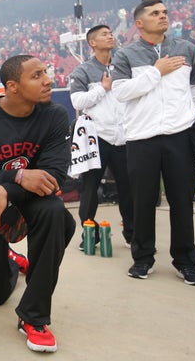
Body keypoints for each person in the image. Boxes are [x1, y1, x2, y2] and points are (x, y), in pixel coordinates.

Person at [0, 54, 74, 353]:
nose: (48, 79)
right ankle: (10, 259)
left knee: (56, 213)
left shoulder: (55, 115)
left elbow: (54, 175)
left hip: (29, 203)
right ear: (13, 86)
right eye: (37, 75)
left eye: (46, 72)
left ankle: (33, 316)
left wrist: (8, 190)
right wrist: (16, 177)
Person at [111, 0, 195, 285]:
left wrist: (180, 110)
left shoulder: (187, 49)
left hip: (179, 136)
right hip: (142, 138)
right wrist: (157, 71)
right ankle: (142, 258)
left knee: (182, 200)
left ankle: (187, 262)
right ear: (139, 23)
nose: (163, 16)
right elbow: (121, 92)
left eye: (165, 12)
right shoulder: (126, 55)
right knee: (143, 201)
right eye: (155, 13)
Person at [69, 24, 133, 249]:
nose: (110, 36)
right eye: (104, 34)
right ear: (92, 43)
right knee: (89, 187)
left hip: (124, 136)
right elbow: (77, 102)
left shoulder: (124, 65)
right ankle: (89, 233)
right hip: (97, 139)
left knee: (128, 188)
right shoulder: (83, 71)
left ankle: (132, 233)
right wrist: (102, 89)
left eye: (111, 33)